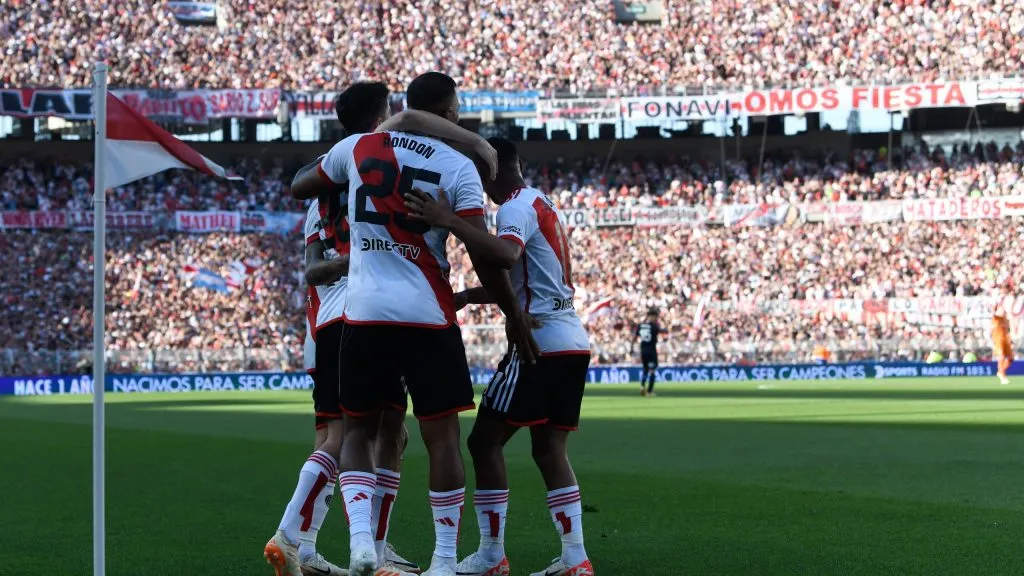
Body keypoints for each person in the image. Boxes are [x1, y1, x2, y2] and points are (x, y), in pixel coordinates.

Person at [315, 72, 536, 576]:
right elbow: (485, 259)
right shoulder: (458, 167)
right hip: (428, 314)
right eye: (455, 109)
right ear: (449, 114)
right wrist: (511, 312)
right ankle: (441, 561)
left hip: (365, 310)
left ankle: (361, 547)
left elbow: (305, 183)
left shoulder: (358, 147)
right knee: (442, 439)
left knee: (356, 432)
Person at [271, 80, 485, 576]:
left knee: (383, 434)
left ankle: (368, 544)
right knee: (350, 436)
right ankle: (295, 534)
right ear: (383, 113)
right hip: (359, 315)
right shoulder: (400, 166)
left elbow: (306, 197)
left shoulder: (342, 172)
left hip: (355, 318)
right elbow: (314, 266)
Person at [403, 136, 595, 576]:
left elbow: (506, 256)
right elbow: (532, 277)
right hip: (570, 340)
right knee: (550, 450)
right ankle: (574, 557)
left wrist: (450, 220)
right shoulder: (541, 202)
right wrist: (469, 295)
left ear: (489, 170)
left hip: (537, 343)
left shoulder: (512, 208)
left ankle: (491, 555)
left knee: (482, 441)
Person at [632, 309, 662, 397]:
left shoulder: (640, 325)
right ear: (651, 316)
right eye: (656, 317)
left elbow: (634, 337)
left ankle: (642, 386)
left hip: (643, 350)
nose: (657, 319)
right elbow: (660, 332)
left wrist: (631, 348)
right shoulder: (654, 326)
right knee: (652, 370)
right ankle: (649, 391)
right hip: (651, 351)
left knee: (645, 369)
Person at [992, 301, 1013, 385]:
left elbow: (1008, 330)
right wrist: (996, 305)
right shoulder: (996, 318)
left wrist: (1010, 339)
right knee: (1001, 356)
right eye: (1001, 308)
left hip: (1005, 340)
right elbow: (993, 312)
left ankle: (1001, 371)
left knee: (1011, 358)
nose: (1003, 310)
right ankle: (1002, 375)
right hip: (998, 340)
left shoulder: (1005, 319)